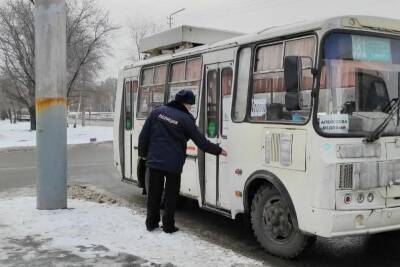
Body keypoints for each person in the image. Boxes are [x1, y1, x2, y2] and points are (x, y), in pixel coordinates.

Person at [138, 89, 227, 233]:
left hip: (154, 161)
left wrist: (143, 154)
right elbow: (201, 142)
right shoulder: (186, 119)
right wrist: (219, 150)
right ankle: (168, 226)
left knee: (154, 195)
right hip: (174, 164)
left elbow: (144, 136)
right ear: (187, 104)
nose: (190, 108)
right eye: (191, 105)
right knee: (171, 196)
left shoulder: (157, 112)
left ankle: (151, 223)